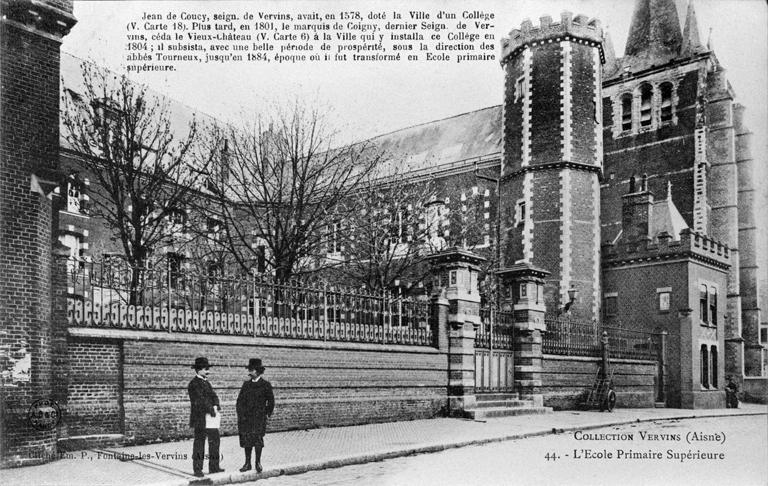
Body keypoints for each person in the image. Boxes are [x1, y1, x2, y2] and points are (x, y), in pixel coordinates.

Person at [236, 358, 275, 473]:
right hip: (246, 419)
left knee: (258, 440)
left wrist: (267, 413)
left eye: (251, 370)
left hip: (258, 418)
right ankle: (247, 463)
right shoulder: (246, 385)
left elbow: (271, 401)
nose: (249, 372)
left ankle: (257, 463)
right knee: (247, 441)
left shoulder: (265, 385)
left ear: (257, 371)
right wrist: (241, 414)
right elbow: (239, 401)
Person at [188, 357, 224, 477]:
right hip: (200, 418)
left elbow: (214, 396)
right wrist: (210, 409)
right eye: (205, 369)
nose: (208, 371)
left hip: (211, 418)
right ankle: (197, 469)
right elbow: (199, 400)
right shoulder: (194, 384)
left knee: (215, 441)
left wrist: (216, 405)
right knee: (199, 443)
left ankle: (214, 467)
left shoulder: (206, 382)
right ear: (198, 370)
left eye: (208, 369)